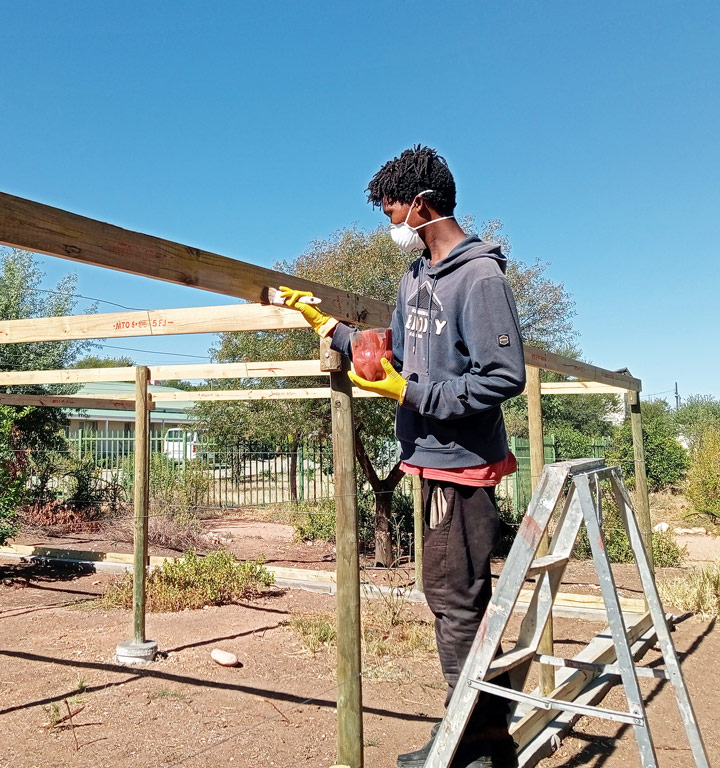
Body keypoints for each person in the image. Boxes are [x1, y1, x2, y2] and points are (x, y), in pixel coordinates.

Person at [279, 145, 526, 768]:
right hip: (428, 456)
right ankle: (485, 734)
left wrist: (410, 392)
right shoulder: (415, 276)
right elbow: (392, 352)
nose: (391, 224)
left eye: (393, 211)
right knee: (453, 597)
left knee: (454, 601)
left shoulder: (480, 278)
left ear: (421, 204)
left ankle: (473, 744)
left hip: (460, 463)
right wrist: (326, 327)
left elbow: (504, 376)